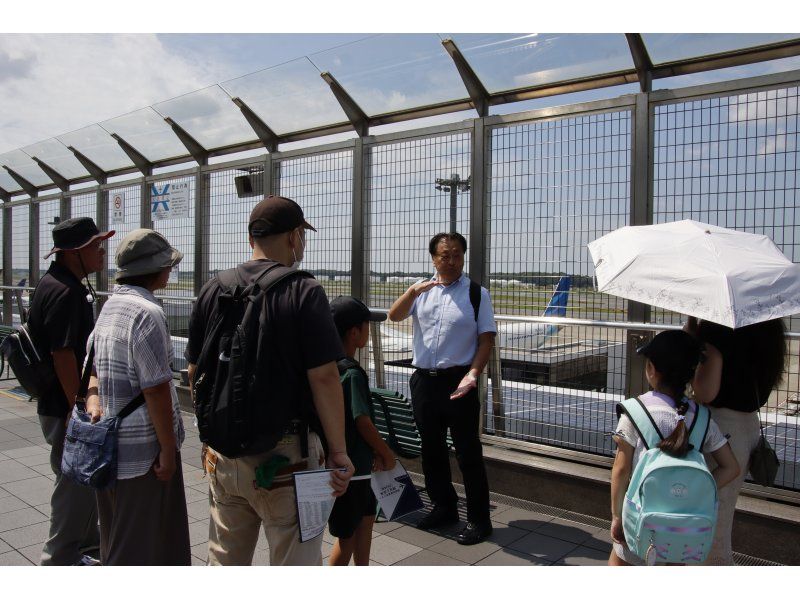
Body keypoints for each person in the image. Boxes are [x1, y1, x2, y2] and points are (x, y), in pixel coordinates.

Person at [185, 195, 354, 566]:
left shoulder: (213, 287)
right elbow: (325, 378)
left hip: (224, 455)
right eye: (302, 236)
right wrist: (339, 453)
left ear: (251, 239)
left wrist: (208, 430)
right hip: (287, 460)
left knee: (225, 560)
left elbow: (196, 371)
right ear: (294, 237)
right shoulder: (303, 290)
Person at [85, 229, 190, 565]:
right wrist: (168, 450)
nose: (170, 271)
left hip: (109, 448)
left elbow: (93, 367)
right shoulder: (148, 313)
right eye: (168, 265)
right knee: (142, 547)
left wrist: (93, 400)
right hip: (143, 455)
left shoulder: (110, 306)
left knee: (115, 537)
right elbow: (156, 389)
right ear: (155, 269)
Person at [387, 231, 496, 545]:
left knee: (468, 453)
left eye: (457, 254)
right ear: (433, 257)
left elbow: (486, 339)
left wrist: (474, 373)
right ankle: (443, 507)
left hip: (460, 380)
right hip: (424, 381)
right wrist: (411, 291)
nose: (451, 261)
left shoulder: (477, 294)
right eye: (444, 255)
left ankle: (479, 520)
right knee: (431, 450)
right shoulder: (421, 290)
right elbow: (393, 316)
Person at [609, 330, 740, 566]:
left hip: (638, 523)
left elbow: (621, 469)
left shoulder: (634, 412)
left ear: (651, 369)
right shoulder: (702, 418)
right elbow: (731, 467)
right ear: (690, 374)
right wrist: (694, 490)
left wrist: (617, 517)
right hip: (683, 533)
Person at [26, 217, 113, 566]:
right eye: (96, 245)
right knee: (73, 484)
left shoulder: (50, 283)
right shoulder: (66, 292)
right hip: (66, 405)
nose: (102, 252)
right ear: (76, 252)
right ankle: (57, 559)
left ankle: (88, 549)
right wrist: (77, 405)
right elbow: (64, 355)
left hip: (53, 401)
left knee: (80, 481)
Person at [686, 316, 787, 565]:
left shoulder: (717, 327)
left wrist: (694, 341)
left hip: (720, 431)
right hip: (747, 426)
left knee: (711, 530)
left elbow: (705, 391)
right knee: (720, 518)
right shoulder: (770, 324)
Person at [328, 296, 397, 566]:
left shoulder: (328, 367)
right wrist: (386, 453)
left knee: (366, 521)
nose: (369, 331)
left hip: (355, 468)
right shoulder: (352, 374)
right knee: (347, 537)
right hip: (353, 470)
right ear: (354, 332)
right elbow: (362, 421)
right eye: (367, 326)